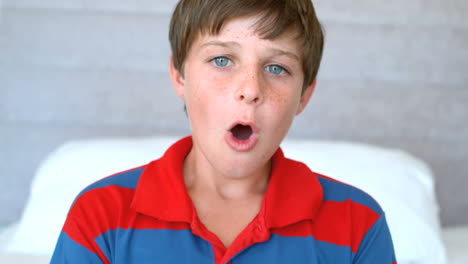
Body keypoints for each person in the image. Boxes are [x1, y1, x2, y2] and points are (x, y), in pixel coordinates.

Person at [51, 0, 397, 263]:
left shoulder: (358, 224)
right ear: (179, 75)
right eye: (221, 60)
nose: (250, 89)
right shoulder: (100, 215)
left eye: (276, 67)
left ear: (304, 94)